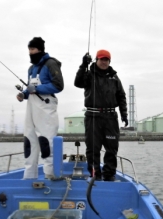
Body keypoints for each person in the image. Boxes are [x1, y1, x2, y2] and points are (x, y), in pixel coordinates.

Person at [74, 49, 128, 181]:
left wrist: (124, 114)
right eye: (101, 59)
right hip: (93, 117)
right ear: (96, 60)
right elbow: (78, 83)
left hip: (110, 118)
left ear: (109, 61)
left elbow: (121, 96)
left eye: (106, 60)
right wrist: (83, 65)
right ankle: (95, 175)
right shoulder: (89, 74)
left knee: (111, 148)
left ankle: (109, 175)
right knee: (93, 148)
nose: (104, 62)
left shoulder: (115, 78)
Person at [16, 37, 64, 179]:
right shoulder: (31, 69)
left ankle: (50, 174)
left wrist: (36, 88)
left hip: (46, 105)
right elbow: (30, 89)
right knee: (29, 138)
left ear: (40, 49)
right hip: (31, 105)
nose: (30, 52)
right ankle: (29, 175)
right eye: (29, 50)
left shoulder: (51, 64)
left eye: (32, 49)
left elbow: (58, 85)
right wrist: (23, 94)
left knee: (46, 139)